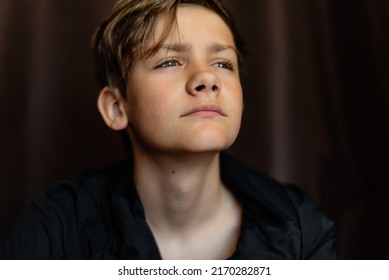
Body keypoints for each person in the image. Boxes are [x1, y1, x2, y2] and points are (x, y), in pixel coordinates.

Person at [0, 0, 335, 259]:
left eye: (223, 63)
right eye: (169, 62)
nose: (208, 78)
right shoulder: (55, 230)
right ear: (117, 108)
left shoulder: (302, 229)